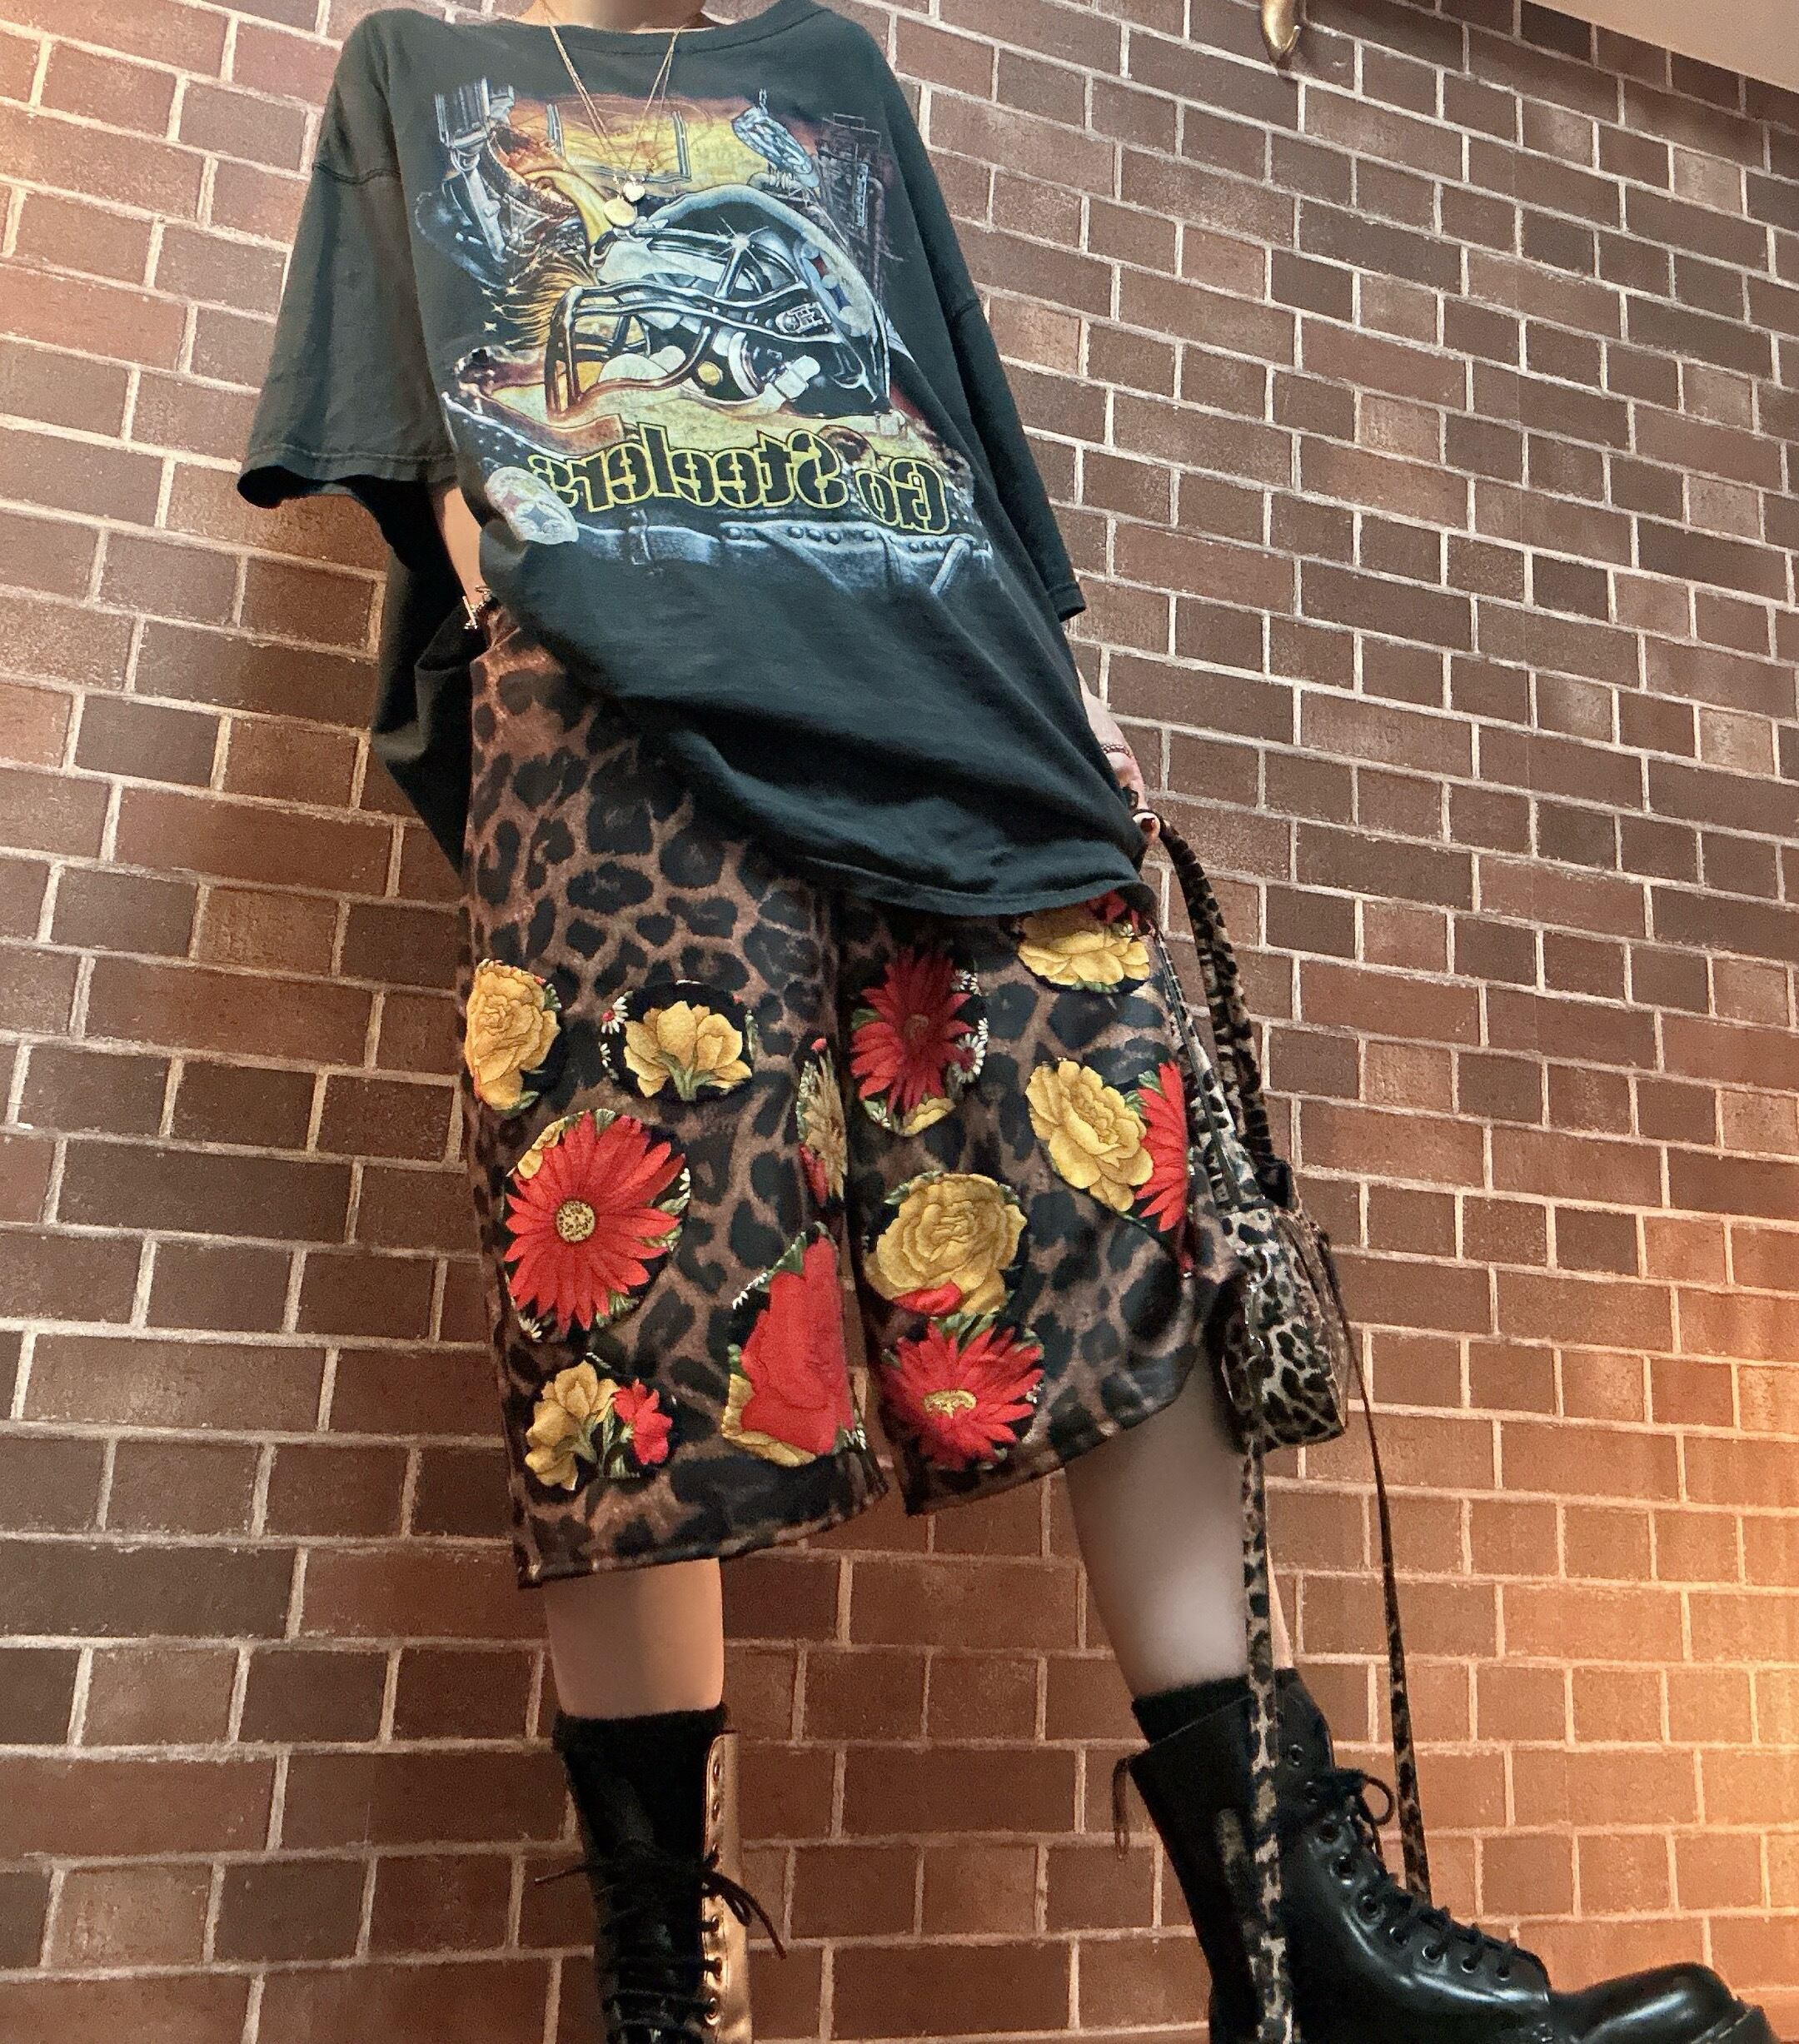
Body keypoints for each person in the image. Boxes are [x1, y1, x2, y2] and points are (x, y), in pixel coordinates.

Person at [238, 5, 1772, 2042]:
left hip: (954, 697)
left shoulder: (827, 67)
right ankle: (666, 1998)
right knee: (636, 1313)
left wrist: (1075, 703)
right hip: (614, 709)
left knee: (1110, 1230)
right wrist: (556, 605)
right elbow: (418, 445)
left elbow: (944, 414)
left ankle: (1294, 1954)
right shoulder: (422, 65)